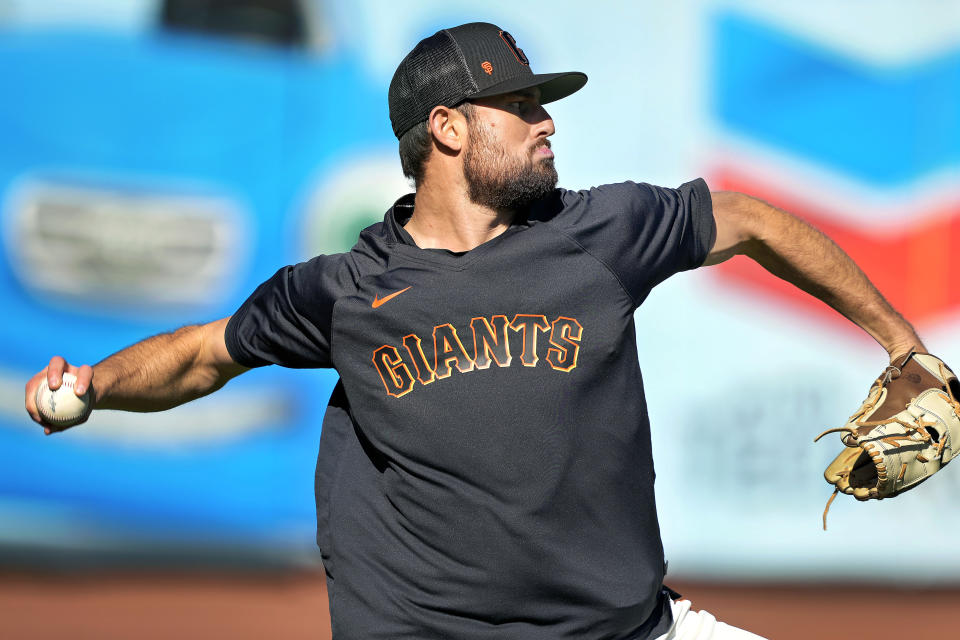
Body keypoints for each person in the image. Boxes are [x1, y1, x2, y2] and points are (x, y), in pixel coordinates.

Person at [26, 22, 924, 640]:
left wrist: (901, 343)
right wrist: (96, 385)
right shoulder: (346, 291)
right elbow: (200, 355)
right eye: (522, 106)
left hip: (626, 626)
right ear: (447, 128)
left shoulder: (598, 233)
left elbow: (754, 220)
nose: (547, 123)